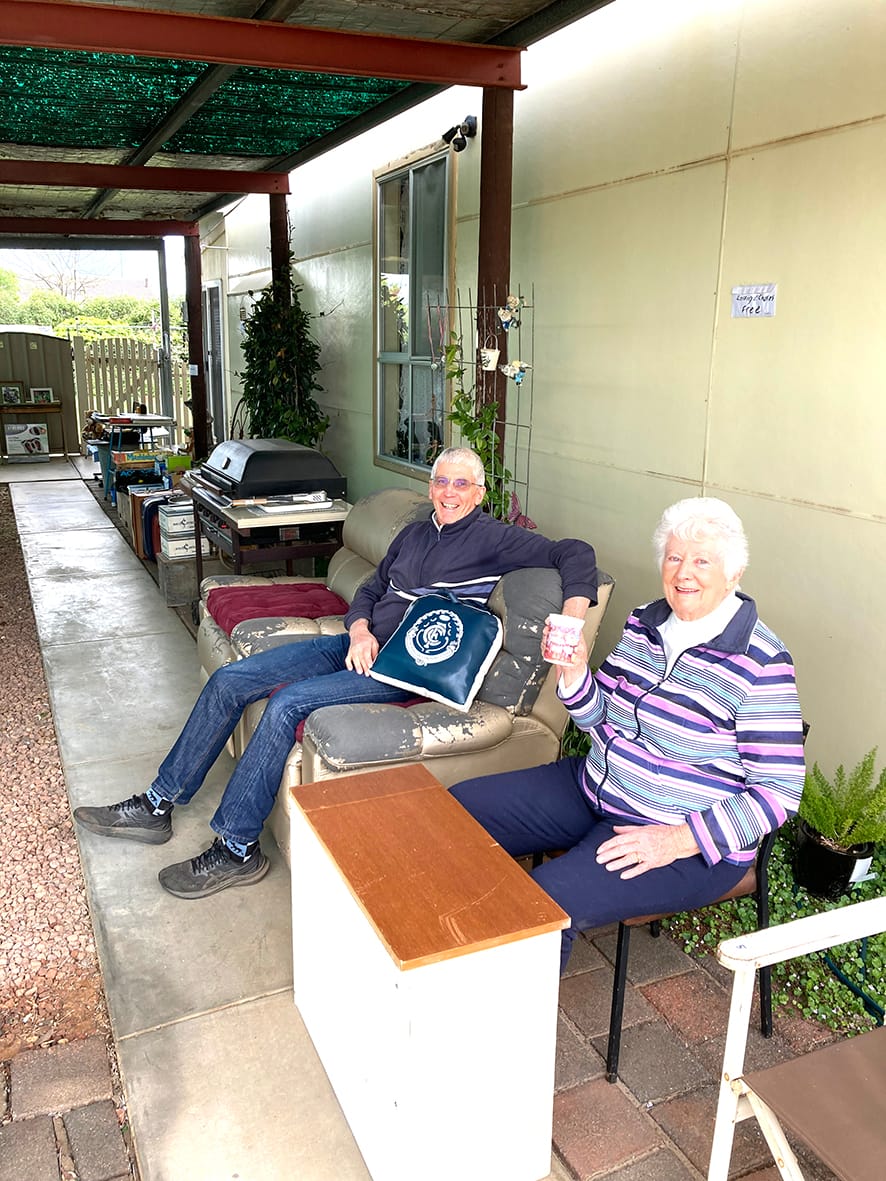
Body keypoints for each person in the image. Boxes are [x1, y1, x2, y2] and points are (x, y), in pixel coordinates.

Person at [74, 447, 597, 899]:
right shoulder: (415, 535)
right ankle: (157, 802)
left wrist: (572, 619)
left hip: (403, 666)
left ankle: (237, 849)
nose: (449, 491)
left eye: (462, 483)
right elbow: (371, 588)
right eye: (441, 480)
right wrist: (362, 628)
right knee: (231, 679)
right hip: (357, 643)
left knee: (285, 705)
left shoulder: (495, 540)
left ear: (480, 493)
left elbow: (576, 551)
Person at [450, 497, 805, 972]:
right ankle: (449, 939)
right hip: (595, 785)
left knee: (541, 908)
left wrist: (676, 840)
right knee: (457, 812)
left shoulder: (761, 662)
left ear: (734, 573)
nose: (684, 572)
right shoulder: (646, 620)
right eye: (675, 557)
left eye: (702, 561)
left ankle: (500, 1027)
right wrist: (574, 674)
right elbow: (601, 717)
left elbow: (779, 793)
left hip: (679, 835)